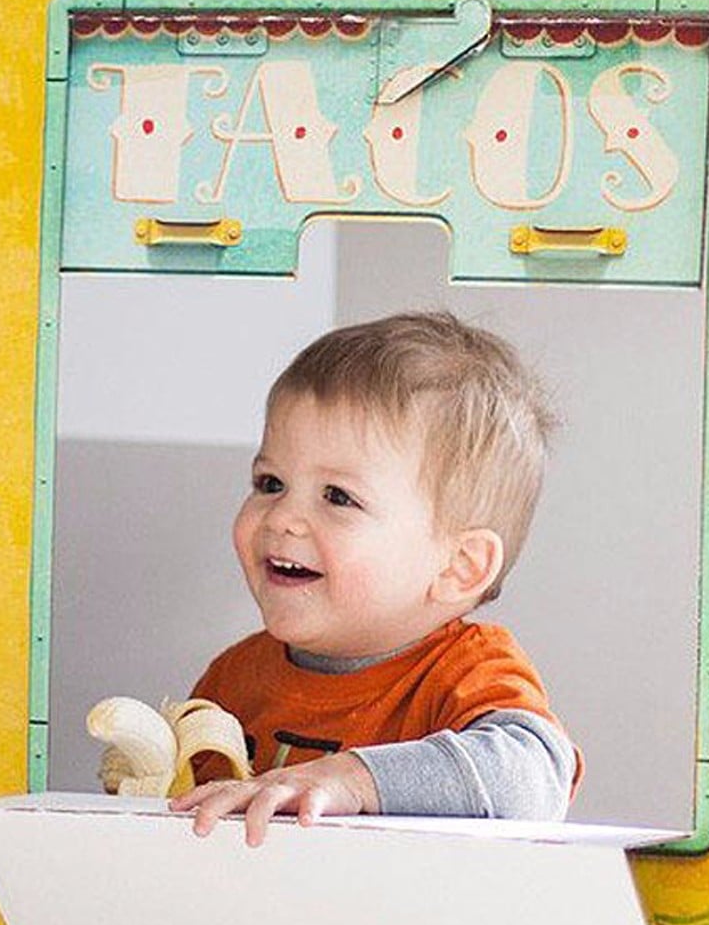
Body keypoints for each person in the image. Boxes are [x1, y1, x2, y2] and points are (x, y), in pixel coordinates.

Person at [172, 310, 580, 846]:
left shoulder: (464, 671)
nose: (281, 518)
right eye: (270, 482)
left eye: (338, 497)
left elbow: (531, 780)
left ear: (460, 567)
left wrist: (351, 778)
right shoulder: (233, 680)